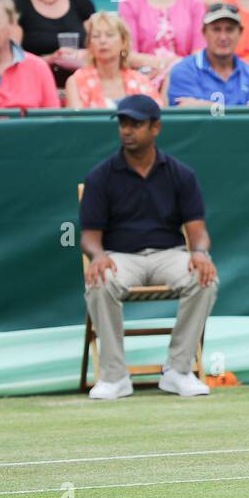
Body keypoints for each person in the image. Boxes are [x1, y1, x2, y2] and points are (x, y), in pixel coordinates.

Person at [79, 93, 218, 400]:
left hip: (170, 254)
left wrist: (200, 253)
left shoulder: (181, 174)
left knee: (204, 278)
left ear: (156, 128)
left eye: (136, 124)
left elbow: (199, 232)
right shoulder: (100, 176)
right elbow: (89, 236)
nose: (127, 130)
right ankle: (115, 376)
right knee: (99, 279)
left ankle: (178, 371)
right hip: (119, 257)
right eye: (123, 123)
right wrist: (98, 256)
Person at [166, 0, 249, 105]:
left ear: (240, 32)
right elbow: (189, 116)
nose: (223, 37)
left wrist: (204, 106)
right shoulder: (184, 70)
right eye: (216, 29)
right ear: (204, 32)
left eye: (229, 29)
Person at [65, 10, 163, 108]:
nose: (102, 41)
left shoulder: (140, 81)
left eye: (109, 35)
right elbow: (76, 121)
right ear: (90, 45)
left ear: (123, 42)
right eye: (96, 36)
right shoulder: (76, 82)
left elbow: (157, 118)